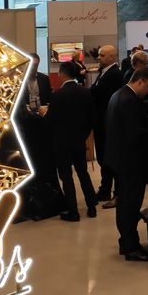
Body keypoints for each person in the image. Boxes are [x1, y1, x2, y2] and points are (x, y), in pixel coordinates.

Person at [106, 68, 148, 261]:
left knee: (124, 203)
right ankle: (132, 247)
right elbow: (135, 133)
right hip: (131, 160)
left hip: (119, 159)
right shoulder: (129, 100)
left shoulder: (118, 95)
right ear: (140, 81)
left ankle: (126, 242)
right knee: (130, 203)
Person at [45, 61, 97, 222]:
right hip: (79, 141)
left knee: (66, 176)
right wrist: (83, 135)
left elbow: (50, 120)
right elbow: (92, 118)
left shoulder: (57, 95)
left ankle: (73, 211)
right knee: (83, 173)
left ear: (61, 73)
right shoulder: (86, 92)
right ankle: (92, 206)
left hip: (61, 142)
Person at [91, 44, 123, 207]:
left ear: (112, 57)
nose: (99, 57)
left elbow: (98, 94)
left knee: (110, 157)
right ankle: (105, 190)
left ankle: (117, 193)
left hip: (108, 122)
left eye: (102, 55)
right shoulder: (103, 72)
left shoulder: (114, 74)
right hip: (101, 121)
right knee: (104, 158)